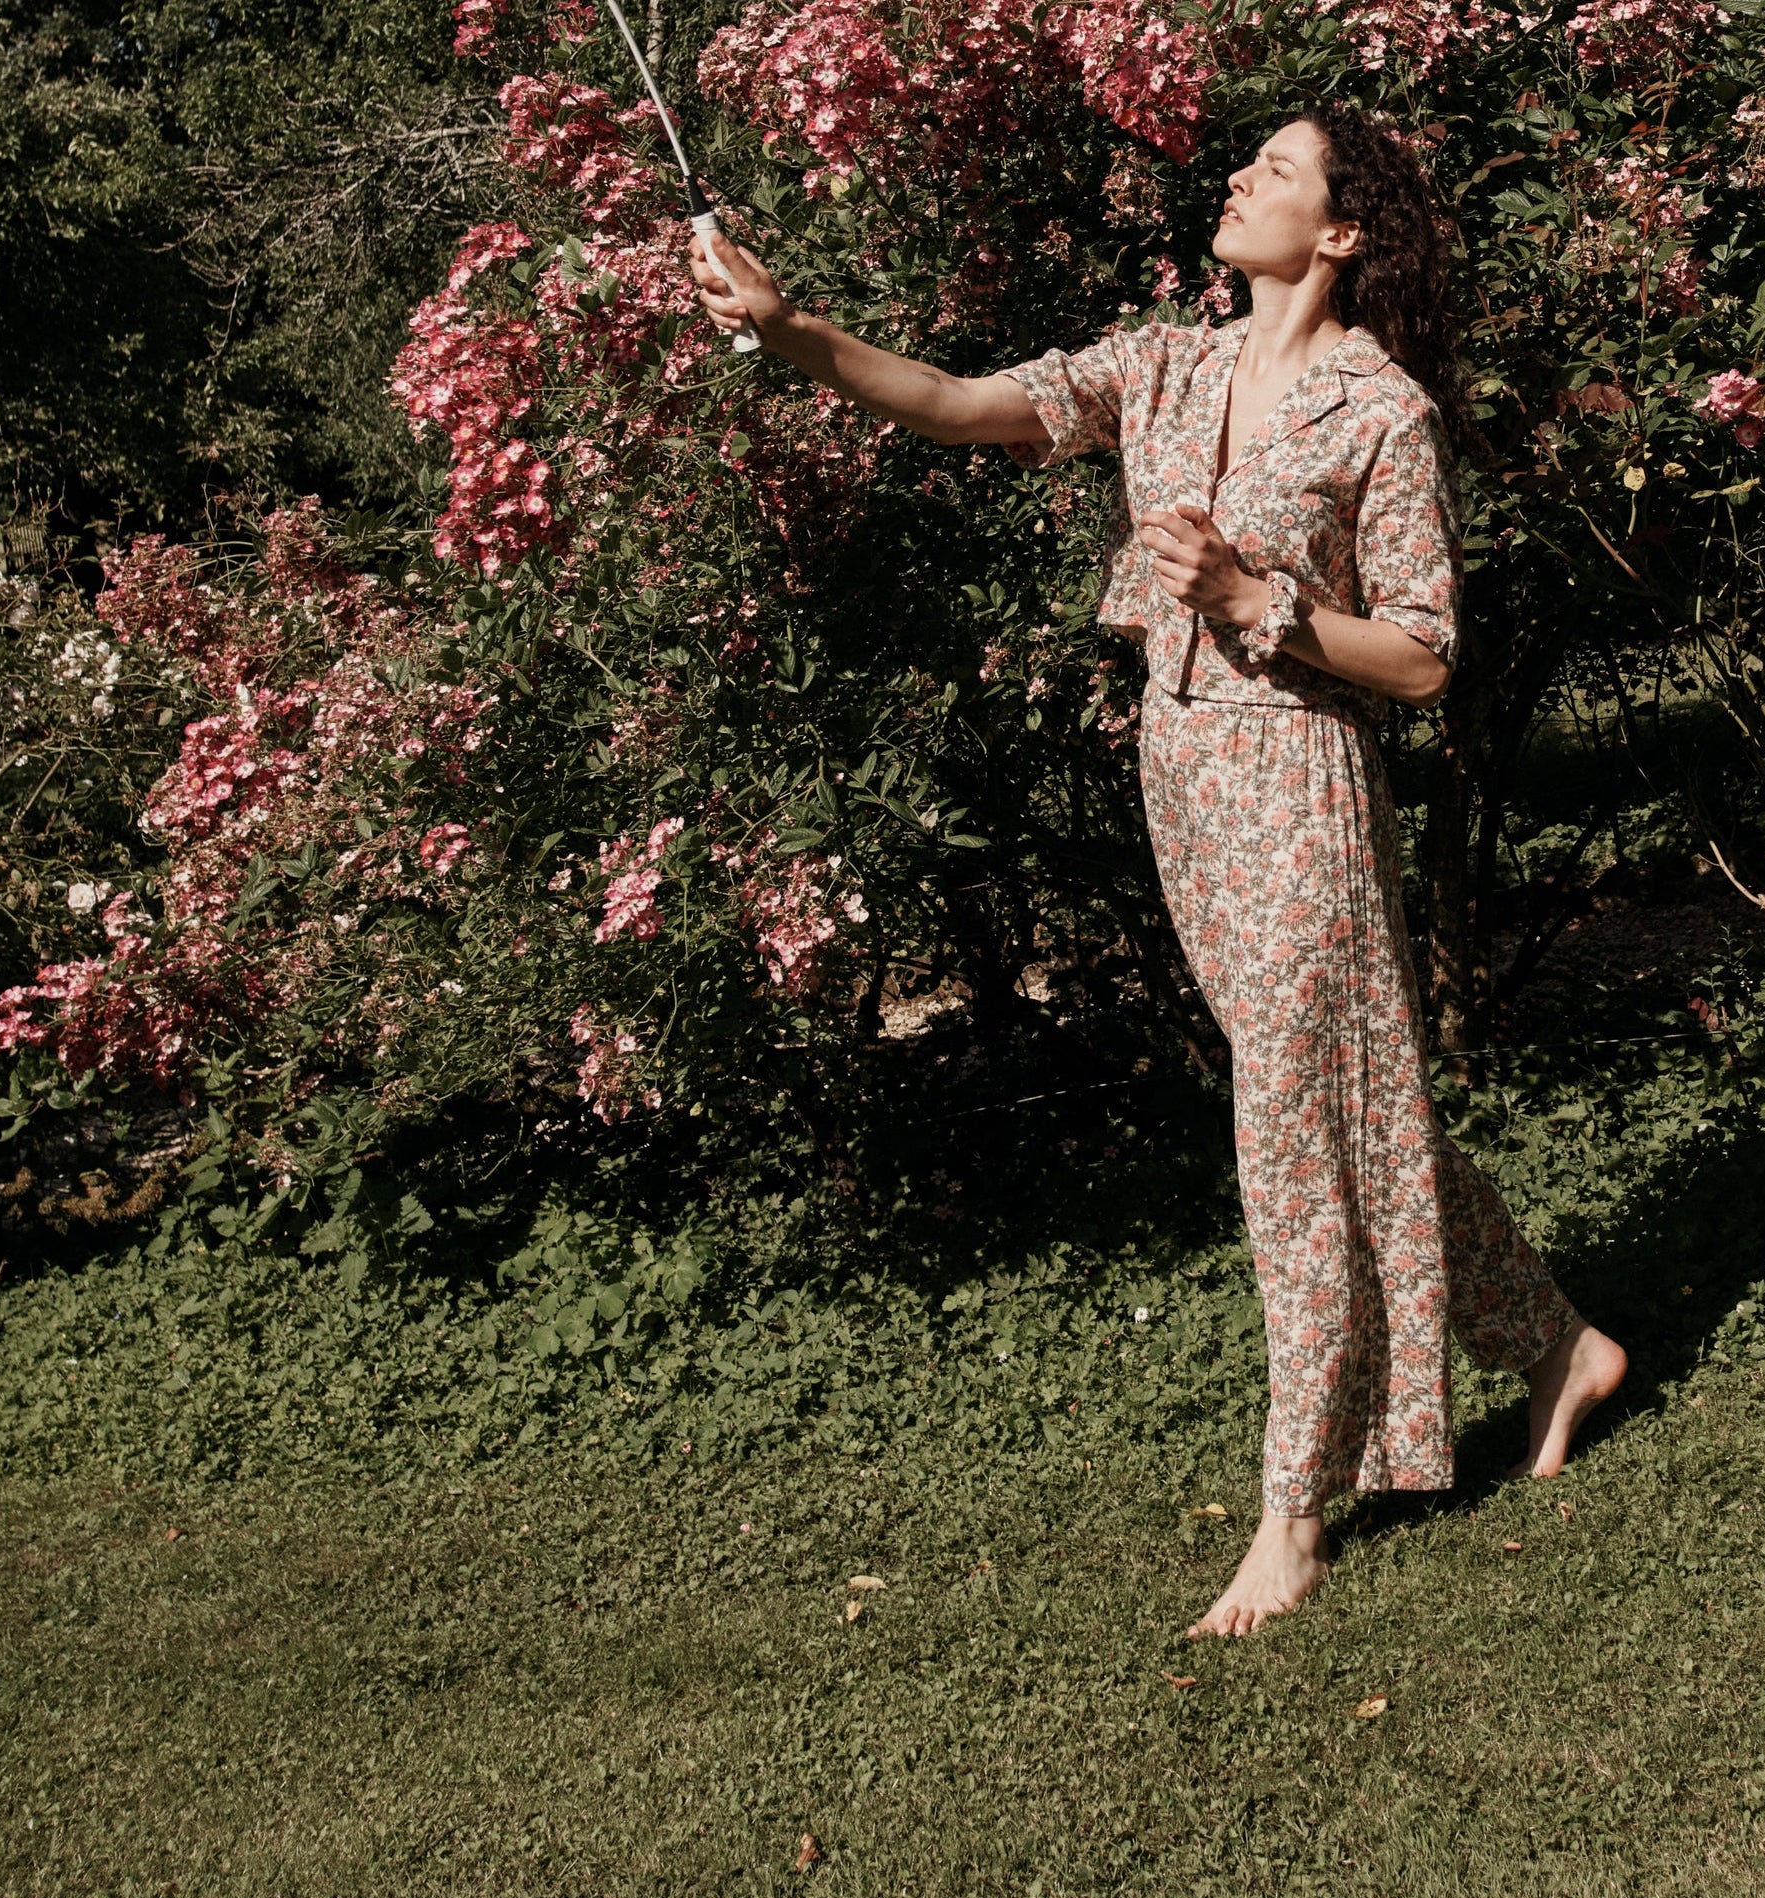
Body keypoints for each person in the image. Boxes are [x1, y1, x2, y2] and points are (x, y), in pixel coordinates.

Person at [689, 107, 1625, 1634]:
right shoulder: (1168, 366)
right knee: (1343, 1102)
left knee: (1290, 1132)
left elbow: (1427, 660)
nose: (1239, 180)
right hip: (1181, 775)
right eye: (1246, 161)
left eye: (1277, 170)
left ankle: (1291, 1511)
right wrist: (794, 329)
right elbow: (960, 403)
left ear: (1341, 232)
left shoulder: (1381, 413)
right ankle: (1560, 1345)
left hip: (1298, 782)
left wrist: (1262, 597)